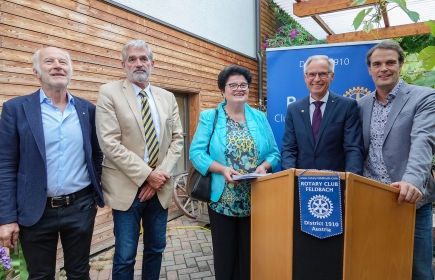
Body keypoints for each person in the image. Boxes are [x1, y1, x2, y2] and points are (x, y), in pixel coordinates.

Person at [0, 46, 104, 279]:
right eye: (49, 61)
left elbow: (97, 154)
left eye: (63, 62)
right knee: (40, 275)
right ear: (36, 72)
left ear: (70, 71)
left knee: (79, 273)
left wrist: (95, 193)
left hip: (81, 207)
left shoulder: (87, 109)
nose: (57, 65)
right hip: (35, 211)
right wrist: (7, 217)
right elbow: (5, 165)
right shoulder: (16, 109)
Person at [95, 39, 184, 280]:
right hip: (127, 188)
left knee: (156, 249)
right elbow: (109, 142)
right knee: (125, 255)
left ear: (153, 63)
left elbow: (177, 139)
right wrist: (147, 175)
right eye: (132, 59)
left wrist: (159, 177)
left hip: (160, 187)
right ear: (123, 64)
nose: (138, 63)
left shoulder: (167, 97)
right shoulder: (109, 92)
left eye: (143, 58)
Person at [189, 65, 281, 280]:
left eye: (243, 85)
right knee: (225, 257)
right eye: (233, 85)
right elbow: (196, 153)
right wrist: (221, 169)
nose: (239, 89)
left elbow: (275, 153)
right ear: (223, 90)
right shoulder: (209, 117)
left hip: (256, 199)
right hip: (223, 200)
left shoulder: (259, 117)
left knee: (250, 257)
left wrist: (264, 166)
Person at [358, 40, 435, 280]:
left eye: (390, 62)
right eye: (377, 64)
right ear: (369, 69)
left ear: (400, 65)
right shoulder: (360, 105)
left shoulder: (424, 97)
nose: (384, 68)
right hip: (371, 201)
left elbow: (423, 141)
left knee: (418, 271)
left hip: (409, 200)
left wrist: (411, 181)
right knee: (375, 266)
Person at [281, 55, 364, 174]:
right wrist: (290, 177)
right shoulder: (294, 109)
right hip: (302, 182)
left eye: (323, 74)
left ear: (332, 77)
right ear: (305, 77)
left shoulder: (347, 106)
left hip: (336, 182)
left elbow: (353, 148)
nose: (317, 79)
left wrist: (351, 181)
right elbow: (289, 149)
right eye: (312, 74)